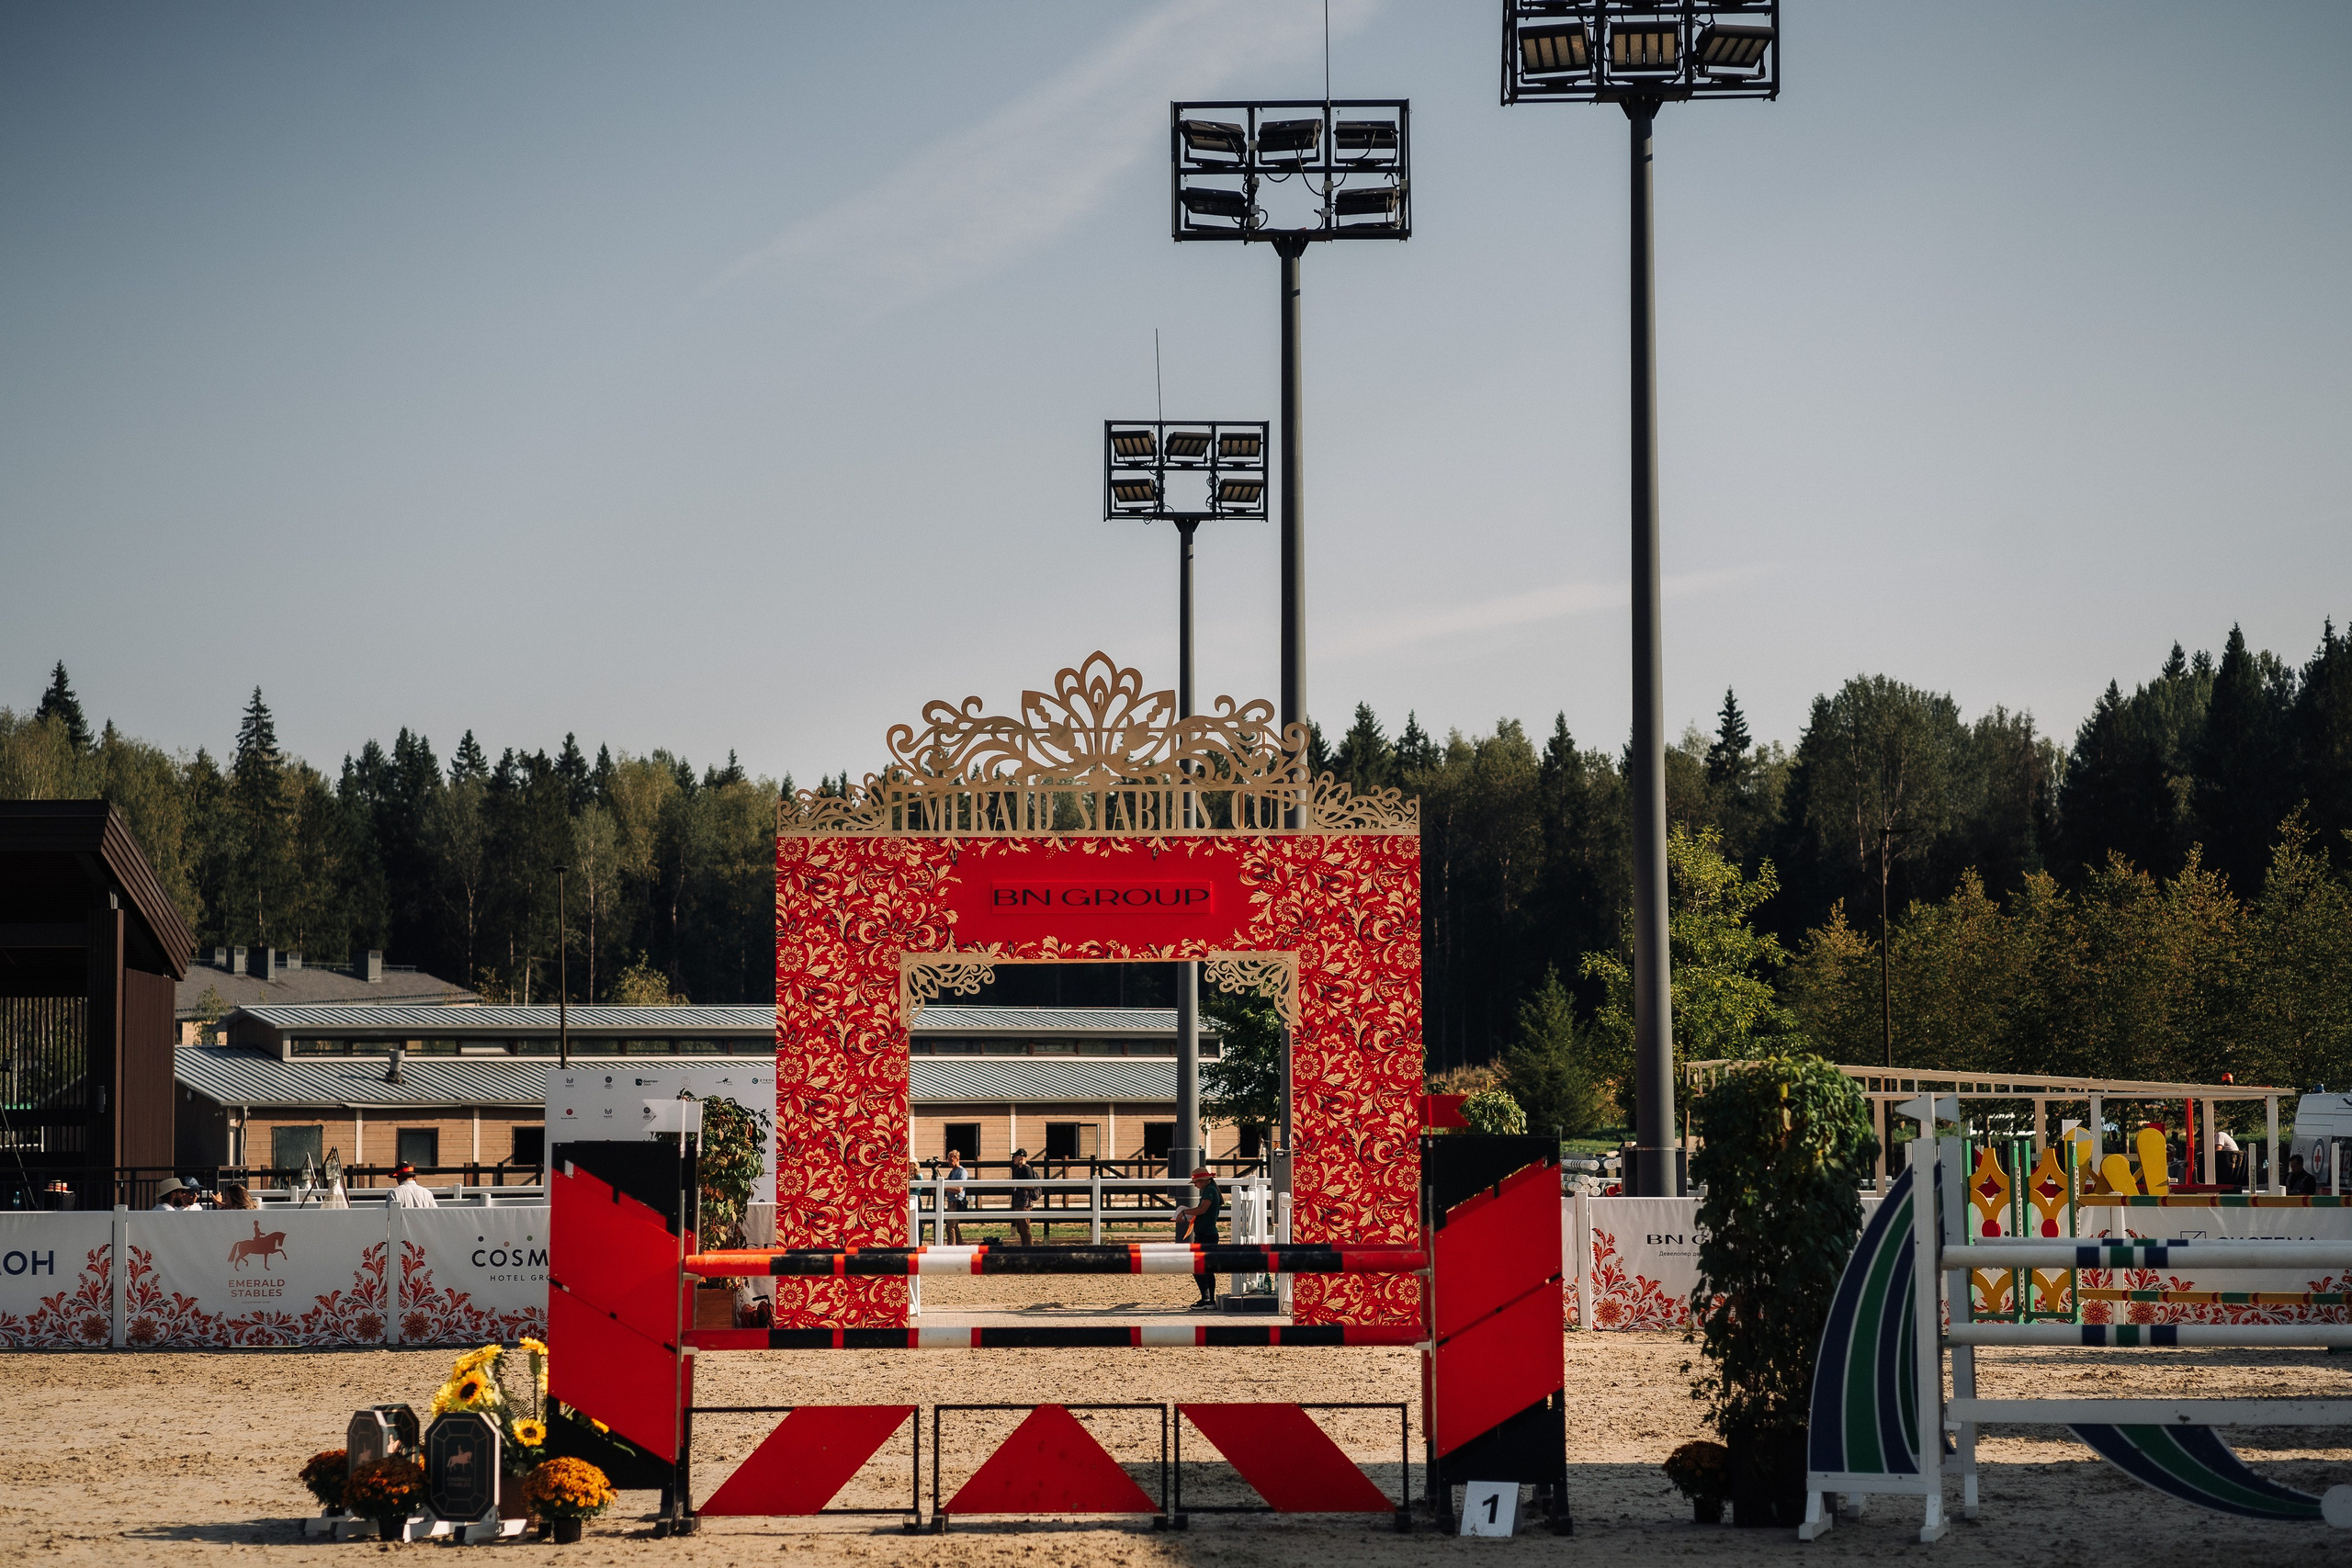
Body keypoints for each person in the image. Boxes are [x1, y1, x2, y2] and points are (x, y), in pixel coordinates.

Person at [1174, 1168, 1223, 1309]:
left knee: (1199, 1267)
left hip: (1205, 1235)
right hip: (1207, 1234)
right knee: (1204, 1267)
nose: (1195, 1185)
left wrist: (1184, 1212)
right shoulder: (1211, 1189)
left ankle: (1207, 1298)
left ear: (1203, 1180)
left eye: (1196, 1182)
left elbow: (1202, 1209)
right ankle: (1208, 1298)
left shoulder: (1209, 1191)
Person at [1008, 1148, 1035, 1247]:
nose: (1014, 1159)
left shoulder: (1026, 1169)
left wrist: (1018, 1184)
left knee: (1025, 1228)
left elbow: (1031, 1185)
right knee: (1021, 1229)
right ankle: (1025, 1247)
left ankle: (1029, 1248)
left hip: (1025, 1203)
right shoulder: (1018, 1170)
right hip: (1019, 1202)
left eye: (1016, 1157)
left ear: (1022, 1158)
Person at [943, 1149, 968, 1245]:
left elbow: (959, 1189)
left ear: (957, 1159)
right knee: (954, 1226)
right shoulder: (953, 1172)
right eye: (948, 1159)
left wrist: (945, 1188)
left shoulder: (961, 1172)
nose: (949, 1162)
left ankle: (952, 1245)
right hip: (952, 1200)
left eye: (951, 1159)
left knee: (951, 1226)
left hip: (956, 1201)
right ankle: (959, 1244)